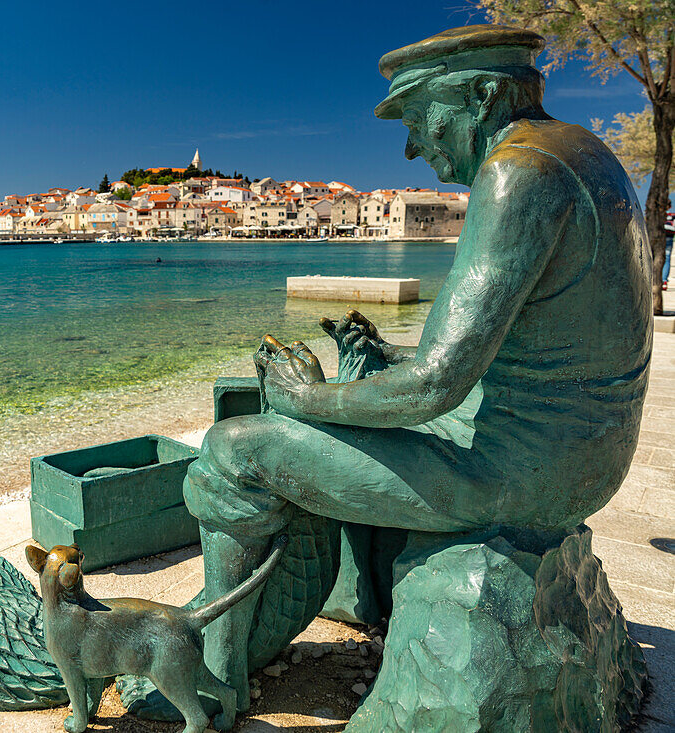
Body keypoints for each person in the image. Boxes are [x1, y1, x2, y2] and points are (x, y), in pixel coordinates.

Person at [183, 24, 653, 709]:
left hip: (523, 470)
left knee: (232, 449)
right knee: (350, 393)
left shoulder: (516, 173)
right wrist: (387, 360)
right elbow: (501, 352)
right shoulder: (585, 153)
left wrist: (304, 398)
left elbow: (435, 385)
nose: (410, 147)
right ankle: (352, 592)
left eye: (419, 120)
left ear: (485, 96)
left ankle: (216, 681)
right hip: (586, 451)